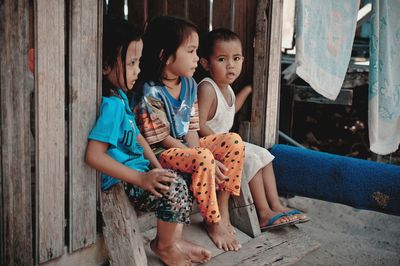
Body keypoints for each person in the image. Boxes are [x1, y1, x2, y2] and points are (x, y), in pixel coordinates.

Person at [85, 16, 211, 266]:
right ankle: (165, 247)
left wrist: (157, 167)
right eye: (131, 63)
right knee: (173, 188)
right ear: (105, 65)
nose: (138, 70)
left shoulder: (121, 96)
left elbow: (139, 137)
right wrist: (142, 178)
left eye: (138, 62)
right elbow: (94, 156)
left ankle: (174, 241)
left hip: (140, 172)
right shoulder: (110, 106)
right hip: (123, 181)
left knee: (178, 177)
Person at [134, 16, 244, 252]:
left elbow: (193, 127)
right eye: (191, 51)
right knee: (204, 158)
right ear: (165, 55)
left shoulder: (190, 85)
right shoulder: (150, 92)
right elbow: (163, 139)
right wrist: (205, 158)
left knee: (233, 142)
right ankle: (213, 221)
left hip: (185, 147)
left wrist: (202, 152)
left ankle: (223, 209)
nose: (197, 58)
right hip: (163, 152)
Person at [197, 28, 310, 231]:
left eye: (236, 58)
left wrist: (247, 90)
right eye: (222, 59)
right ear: (205, 63)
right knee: (252, 160)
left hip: (228, 144)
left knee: (264, 154)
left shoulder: (227, 88)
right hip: (211, 145)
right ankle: (264, 213)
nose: (231, 65)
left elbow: (231, 109)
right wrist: (221, 142)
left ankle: (276, 206)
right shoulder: (207, 88)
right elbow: (199, 123)